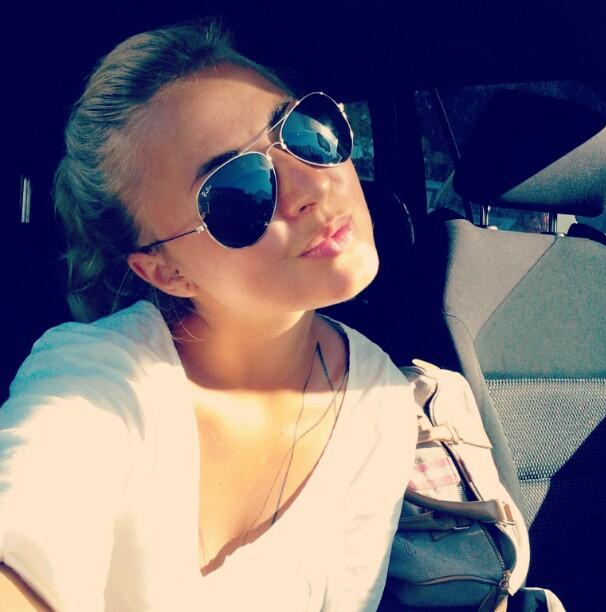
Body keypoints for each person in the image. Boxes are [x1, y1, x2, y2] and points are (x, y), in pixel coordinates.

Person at [0, 20, 417, 611]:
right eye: (237, 191)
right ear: (165, 271)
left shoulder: (381, 402)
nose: (312, 187)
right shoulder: (98, 378)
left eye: (307, 131)